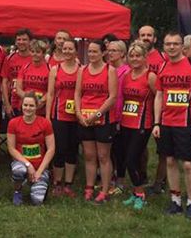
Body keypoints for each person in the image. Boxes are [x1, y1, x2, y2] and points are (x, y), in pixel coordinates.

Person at [152, 31, 191, 220]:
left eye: (175, 44)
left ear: (182, 47)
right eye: (168, 44)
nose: (172, 47)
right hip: (167, 122)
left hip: (188, 123)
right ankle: (175, 201)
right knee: (169, 161)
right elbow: (159, 95)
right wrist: (156, 122)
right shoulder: (162, 66)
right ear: (164, 46)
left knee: (188, 165)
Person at [74, 40, 118, 204]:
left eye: (95, 51)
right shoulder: (82, 70)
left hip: (103, 119)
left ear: (103, 53)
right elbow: (77, 93)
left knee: (103, 156)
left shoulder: (110, 70)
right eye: (90, 52)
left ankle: (105, 190)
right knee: (89, 155)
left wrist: (97, 114)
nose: (91, 55)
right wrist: (78, 113)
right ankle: (89, 187)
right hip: (85, 118)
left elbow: (112, 97)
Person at [118, 42, 157, 210]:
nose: (134, 59)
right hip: (126, 122)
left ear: (145, 57)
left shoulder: (150, 76)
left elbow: (159, 98)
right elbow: (122, 99)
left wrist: (157, 121)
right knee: (128, 158)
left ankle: (140, 194)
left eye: (138, 56)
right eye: (131, 56)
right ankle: (135, 192)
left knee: (131, 160)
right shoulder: (127, 75)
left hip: (142, 123)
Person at [45, 38, 80, 198]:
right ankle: (57, 183)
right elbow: (50, 94)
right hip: (58, 115)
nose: (67, 51)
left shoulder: (81, 69)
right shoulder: (55, 69)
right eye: (65, 49)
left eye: (70, 49)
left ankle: (69, 183)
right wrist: (47, 116)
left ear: (76, 51)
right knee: (59, 149)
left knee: (72, 149)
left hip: (76, 116)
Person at [7, 92, 56, 206]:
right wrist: (28, 165)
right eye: (25, 105)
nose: (28, 108)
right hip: (22, 163)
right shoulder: (13, 123)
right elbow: (11, 148)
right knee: (18, 170)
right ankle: (17, 191)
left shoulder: (45, 123)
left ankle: (40, 183)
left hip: (40, 166)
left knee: (37, 201)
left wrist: (39, 171)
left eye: (31, 105)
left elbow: (51, 149)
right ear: (21, 105)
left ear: (36, 107)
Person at [138, 25, 167, 194]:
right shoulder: (134, 56)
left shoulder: (163, 58)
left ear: (155, 39)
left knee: (163, 149)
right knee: (140, 147)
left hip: (160, 110)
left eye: (149, 35)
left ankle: (160, 182)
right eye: (143, 35)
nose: (146, 38)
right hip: (140, 111)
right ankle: (142, 178)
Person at [107, 40, 129, 195]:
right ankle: (111, 179)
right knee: (110, 151)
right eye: (109, 50)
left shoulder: (126, 71)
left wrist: (120, 119)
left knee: (120, 151)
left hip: (120, 116)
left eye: (114, 50)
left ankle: (121, 181)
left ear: (122, 53)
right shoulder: (107, 69)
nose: (110, 53)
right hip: (107, 115)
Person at [1, 28, 33, 118]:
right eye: (19, 39)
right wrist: (7, 104)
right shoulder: (9, 59)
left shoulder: (35, 58)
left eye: (24, 39)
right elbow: (4, 82)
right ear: (15, 42)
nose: (21, 42)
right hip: (13, 102)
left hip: (30, 103)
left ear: (30, 41)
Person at [15, 40, 51, 116]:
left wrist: (41, 101)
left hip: (41, 108)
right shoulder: (25, 67)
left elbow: (51, 91)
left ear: (43, 53)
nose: (35, 54)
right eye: (32, 51)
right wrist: (29, 100)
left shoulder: (49, 69)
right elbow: (18, 89)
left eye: (38, 52)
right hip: (25, 107)